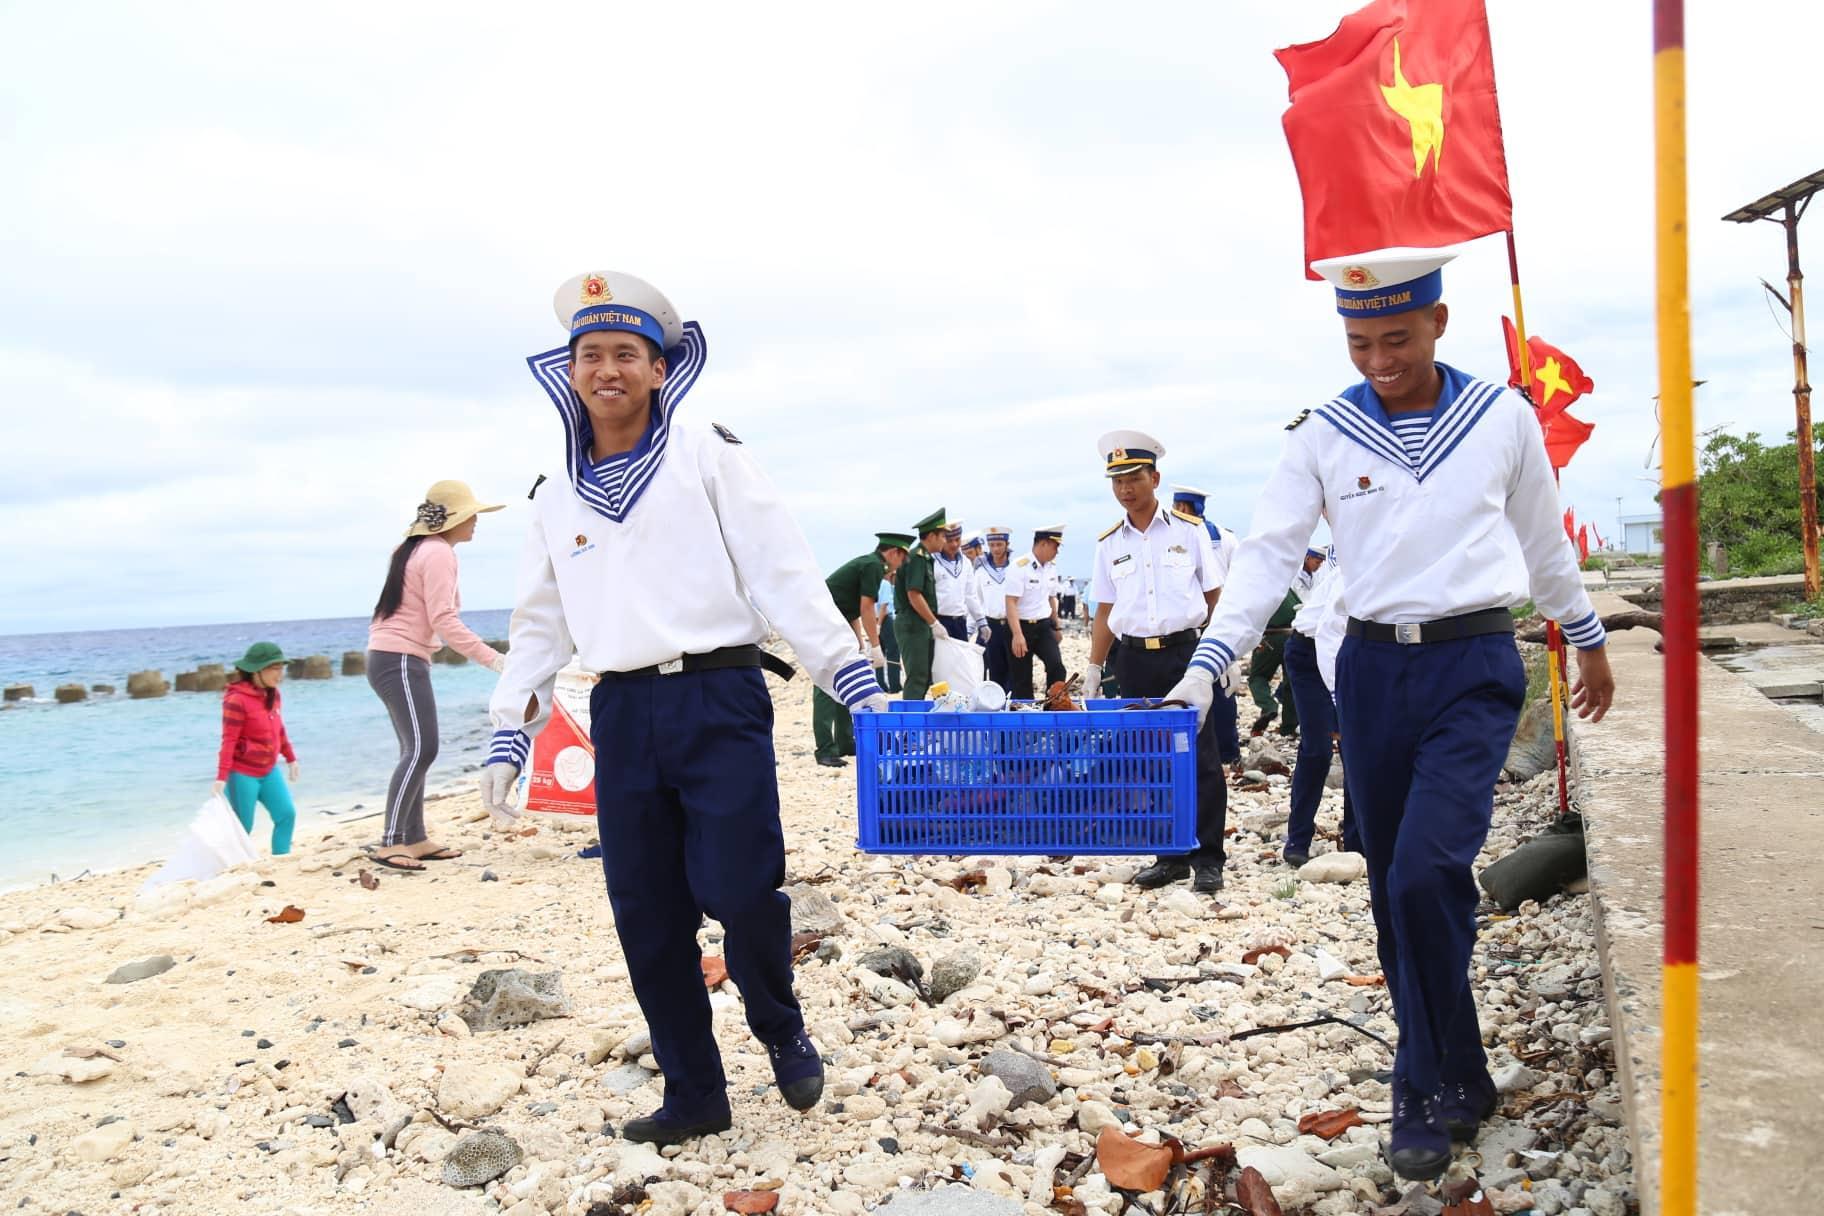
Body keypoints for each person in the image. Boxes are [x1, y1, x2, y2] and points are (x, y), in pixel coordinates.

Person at [1166, 248, 1615, 1180]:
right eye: (1360, 340)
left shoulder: (1500, 417)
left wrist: (1589, 635)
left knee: (1427, 871)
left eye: (1397, 338)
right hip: (1370, 672)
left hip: (1475, 666)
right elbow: (1266, 558)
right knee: (1390, 887)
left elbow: (1544, 542)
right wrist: (1209, 665)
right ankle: (1465, 1069)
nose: (1379, 358)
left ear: (1439, 322)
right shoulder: (1324, 435)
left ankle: (1415, 1086)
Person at [479, 270, 888, 1146]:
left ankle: (781, 1028)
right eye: (590, 355)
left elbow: (782, 569)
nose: (607, 370)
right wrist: (509, 733)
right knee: (648, 916)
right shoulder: (555, 490)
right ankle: (695, 1094)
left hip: (720, 697)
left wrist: (849, 679)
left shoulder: (709, 450)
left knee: (744, 891)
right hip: (621, 713)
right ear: (570, 371)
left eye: (627, 353)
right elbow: (539, 623)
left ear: (661, 368)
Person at [1082, 431, 1230, 892]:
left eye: (1134, 478)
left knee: (1202, 757)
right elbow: (1105, 609)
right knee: (1151, 760)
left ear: (1154, 478)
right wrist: (1093, 666)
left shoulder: (1189, 531)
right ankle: (1170, 855)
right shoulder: (1109, 543)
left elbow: (1214, 594)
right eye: (1117, 480)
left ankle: (1208, 857)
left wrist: (1222, 653)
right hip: (1134, 661)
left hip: (1186, 655)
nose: (1126, 488)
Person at [365, 480, 507, 871]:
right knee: (421, 749)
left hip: (390, 658)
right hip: (399, 660)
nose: (477, 520)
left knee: (416, 748)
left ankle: (415, 837)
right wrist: (494, 660)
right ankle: (392, 841)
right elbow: (443, 620)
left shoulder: (411, 549)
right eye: (471, 513)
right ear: (454, 519)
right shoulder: (438, 553)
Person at [1281, 546, 1360, 866]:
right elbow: (1330, 638)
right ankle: (1298, 837)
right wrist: (1337, 702)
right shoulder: (1353, 575)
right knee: (1318, 748)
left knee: (1358, 747)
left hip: (1352, 653)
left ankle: (1358, 839)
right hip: (1310, 653)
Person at [815, 533, 911, 766]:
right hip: (823, 623)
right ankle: (826, 749)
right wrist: (876, 646)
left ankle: (846, 742)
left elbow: (852, 611)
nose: (902, 564)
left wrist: (860, 644)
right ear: (893, 553)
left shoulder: (868, 564)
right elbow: (867, 607)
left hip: (837, 621)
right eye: (903, 558)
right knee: (827, 681)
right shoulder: (874, 566)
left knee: (848, 677)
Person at [1169, 486, 1242, 768]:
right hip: (1222, 622)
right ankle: (1227, 752)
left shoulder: (1181, 534)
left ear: (1183, 508)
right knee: (1222, 689)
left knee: (1189, 687)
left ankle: (1186, 755)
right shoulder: (1228, 537)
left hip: (1190, 627)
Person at [214, 642, 299, 856]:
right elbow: (229, 740)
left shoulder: (274, 695)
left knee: (286, 814)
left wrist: (290, 757)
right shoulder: (236, 700)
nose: (281, 675)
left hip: (269, 770)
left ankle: (281, 859)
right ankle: (230, 865)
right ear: (257, 670)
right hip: (242, 774)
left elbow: (278, 729)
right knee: (243, 827)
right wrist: (221, 777)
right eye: (276, 668)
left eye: (282, 668)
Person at [1003, 526, 1066, 699]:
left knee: (1057, 666)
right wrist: (1017, 635)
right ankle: (1026, 720)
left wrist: (1057, 627)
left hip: (1044, 627)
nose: (1057, 552)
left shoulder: (1051, 568)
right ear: (1044, 544)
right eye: (1055, 547)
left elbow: (1052, 598)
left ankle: (1052, 706)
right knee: (1022, 679)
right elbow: (1011, 602)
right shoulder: (1019, 567)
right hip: (1020, 626)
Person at [893, 510, 947, 699]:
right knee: (916, 677)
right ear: (932, 536)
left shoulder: (925, 558)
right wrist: (934, 622)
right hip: (912, 623)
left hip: (919, 623)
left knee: (924, 678)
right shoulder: (917, 557)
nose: (944, 542)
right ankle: (909, 725)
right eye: (942, 537)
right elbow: (914, 594)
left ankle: (917, 723)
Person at [1247, 589, 1301, 738]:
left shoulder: (1256, 585)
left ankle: (1268, 706)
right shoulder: (1286, 586)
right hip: (1292, 635)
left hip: (1269, 636)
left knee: (1258, 677)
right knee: (1290, 683)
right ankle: (1289, 727)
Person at [973, 525, 1016, 688]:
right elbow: (976, 599)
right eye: (992, 545)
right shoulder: (981, 570)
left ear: (1007, 544)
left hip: (1012, 624)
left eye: (999, 544)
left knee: (1015, 669)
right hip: (991, 625)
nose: (996, 549)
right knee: (995, 670)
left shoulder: (1015, 568)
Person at [933, 521, 983, 642]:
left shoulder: (965, 562)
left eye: (957, 539)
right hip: (938, 621)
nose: (954, 544)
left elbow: (970, 596)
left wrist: (981, 621)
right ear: (942, 539)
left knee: (961, 660)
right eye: (949, 541)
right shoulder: (932, 560)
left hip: (960, 623)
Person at [876, 568, 902, 692]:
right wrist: (880, 625)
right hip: (885, 620)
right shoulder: (885, 584)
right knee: (893, 652)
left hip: (874, 620)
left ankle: (881, 684)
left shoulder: (874, 584)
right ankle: (894, 685)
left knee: (878, 653)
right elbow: (884, 606)